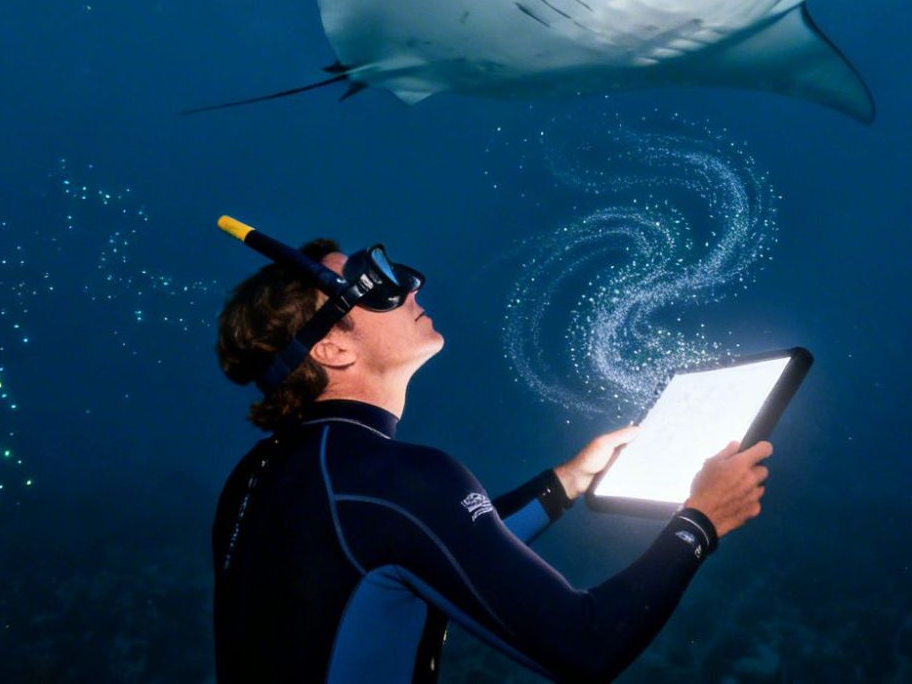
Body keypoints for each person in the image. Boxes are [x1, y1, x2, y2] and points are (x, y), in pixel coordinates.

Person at [212, 238, 773, 684]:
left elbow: (426, 546)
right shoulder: (400, 480)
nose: (409, 284)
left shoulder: (258, 475)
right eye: (371, 284)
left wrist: (569, 480)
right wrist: (701, 521)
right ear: (332, 350)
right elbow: (586, 646)